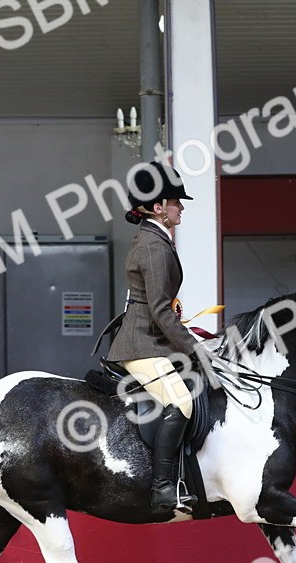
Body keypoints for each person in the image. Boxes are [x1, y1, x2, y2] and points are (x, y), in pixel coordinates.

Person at [107, 161, 203, 513]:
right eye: (177, 201)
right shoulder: (153, 246)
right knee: (181, 402)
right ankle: (163, 489)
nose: (181, 207)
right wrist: (195, 349)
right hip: (142, 342)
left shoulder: (155, 239)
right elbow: (161, 311)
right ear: (159, 207)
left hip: (151, 338)